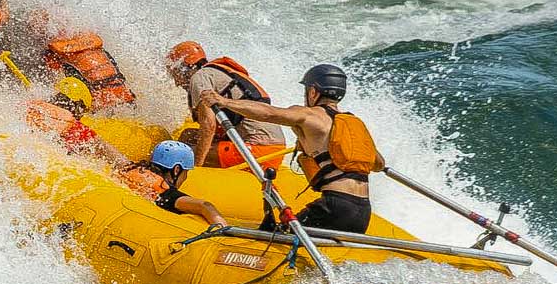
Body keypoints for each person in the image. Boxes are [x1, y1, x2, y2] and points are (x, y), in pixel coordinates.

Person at [198, 64, 384, 235]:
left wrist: (224, 101)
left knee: (274, 236)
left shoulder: (310, 115)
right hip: (363, 211)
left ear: (313, 92)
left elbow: (270, 113)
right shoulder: (355, 124)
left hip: (335, 206)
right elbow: (378, 164)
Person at [165, 41, 287, 168]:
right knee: (187, 135)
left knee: (180, 155)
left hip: (259, 149)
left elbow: (209, 126)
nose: (176, 83)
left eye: (175, 74)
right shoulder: (217, 73)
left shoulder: (198, 77)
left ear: (184, 67)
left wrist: (196, 166)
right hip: (273, 146)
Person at [7, 8, 136, 111]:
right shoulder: (89, 41)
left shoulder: (56, 51)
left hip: (102, 109)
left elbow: (59, 86)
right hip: (127, 104)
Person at [119, 141, 228, 228]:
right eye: (186, 172)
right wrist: (225, 230)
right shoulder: (165, 192)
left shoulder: (133, 170)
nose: (185, 177)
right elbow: (204, 206)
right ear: (176, 170)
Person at [26, 76, 127, 168]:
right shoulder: (73, 126)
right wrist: (128, 166)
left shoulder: (30, 106)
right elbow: (106, 150)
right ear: (78, 107)